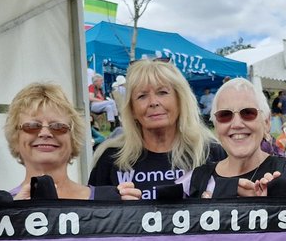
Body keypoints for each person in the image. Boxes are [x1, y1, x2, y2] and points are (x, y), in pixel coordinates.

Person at [88, 58, 222, 199]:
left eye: (162, 92)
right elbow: (92, 211)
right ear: (132, 109)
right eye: (142, 96)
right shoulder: (111, 159)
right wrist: (116, 204)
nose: (153, 102)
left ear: (180, 100)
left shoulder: (211, 153)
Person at [6, 82, 139, 200]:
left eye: (58, 126)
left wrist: (128, 212)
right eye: (32, 126)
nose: (45, 133)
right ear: (16, 137)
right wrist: (14, 213)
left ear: (73, 137)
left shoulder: (106, 202)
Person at [186, 78, 286, 199]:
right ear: (216, 126)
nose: (237, 124)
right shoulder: (198, 179)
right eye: (225, 115)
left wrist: (273, 202)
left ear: (266, 122)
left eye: (248, 113)